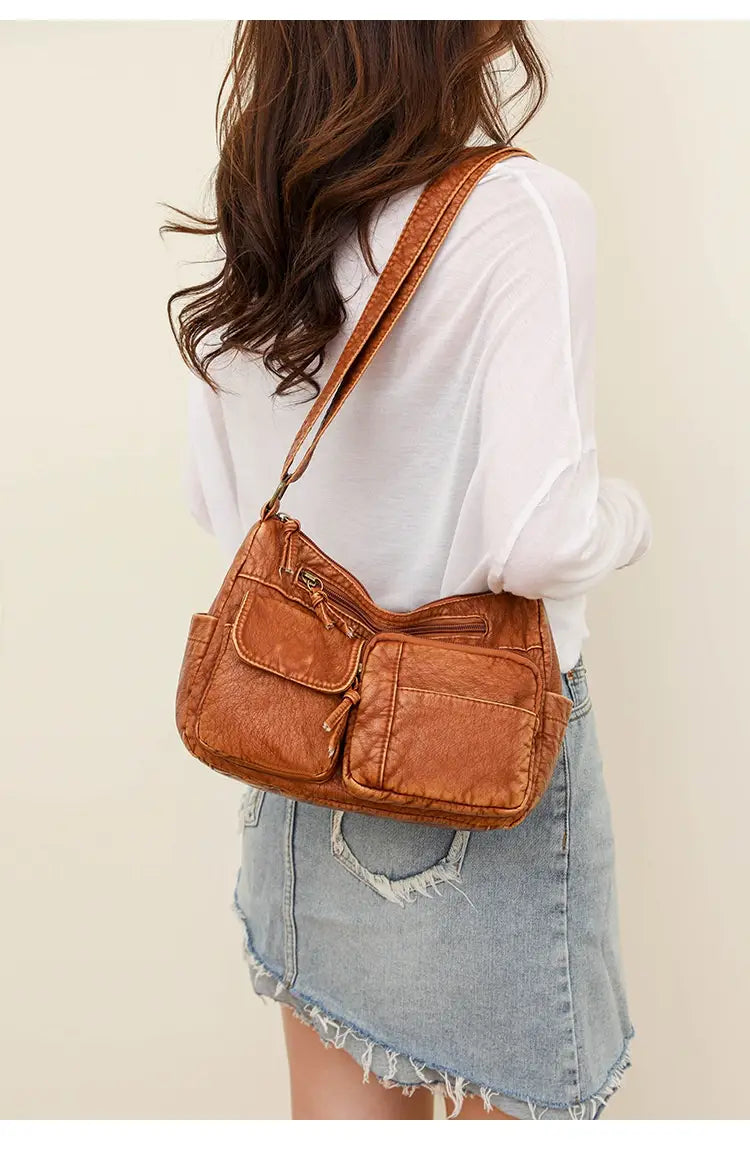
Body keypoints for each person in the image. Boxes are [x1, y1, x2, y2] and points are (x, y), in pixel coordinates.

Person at [167, 20, 651, 1120]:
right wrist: (629, 519)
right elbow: (540, 538)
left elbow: (217, 501)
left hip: (290, 750)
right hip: (480, 765)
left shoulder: (254, 219)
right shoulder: (520, 210)